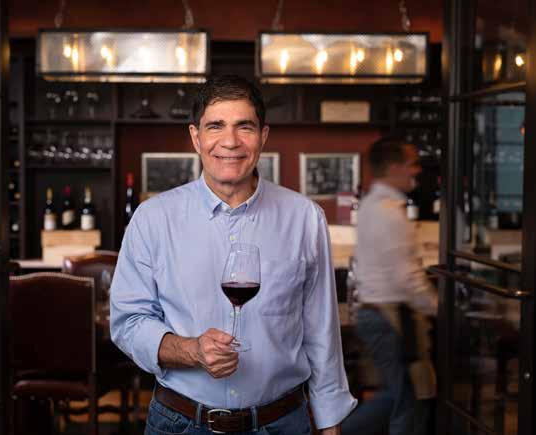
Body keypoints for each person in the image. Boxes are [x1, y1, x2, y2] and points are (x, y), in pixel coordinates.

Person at [110, 75, 357, 434]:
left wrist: (330, 420)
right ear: (196, 137)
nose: (230, 141)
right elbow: (128, 322)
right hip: (180, 424)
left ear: (263, 136)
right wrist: (191, 350)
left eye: (245, 126)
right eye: (215, 126)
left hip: (282, 424)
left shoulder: (305, 218)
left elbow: (322, 330)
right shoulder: (153, 219)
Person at [341, 137, 438, 435]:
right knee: (405, 397)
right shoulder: (388, 211)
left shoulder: (374, 204)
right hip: (390, 315)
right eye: (412, 164)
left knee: (404, 396)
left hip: (379, 314)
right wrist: (436, 305)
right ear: (395, 167)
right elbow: (406, 276)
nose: (417, 170)